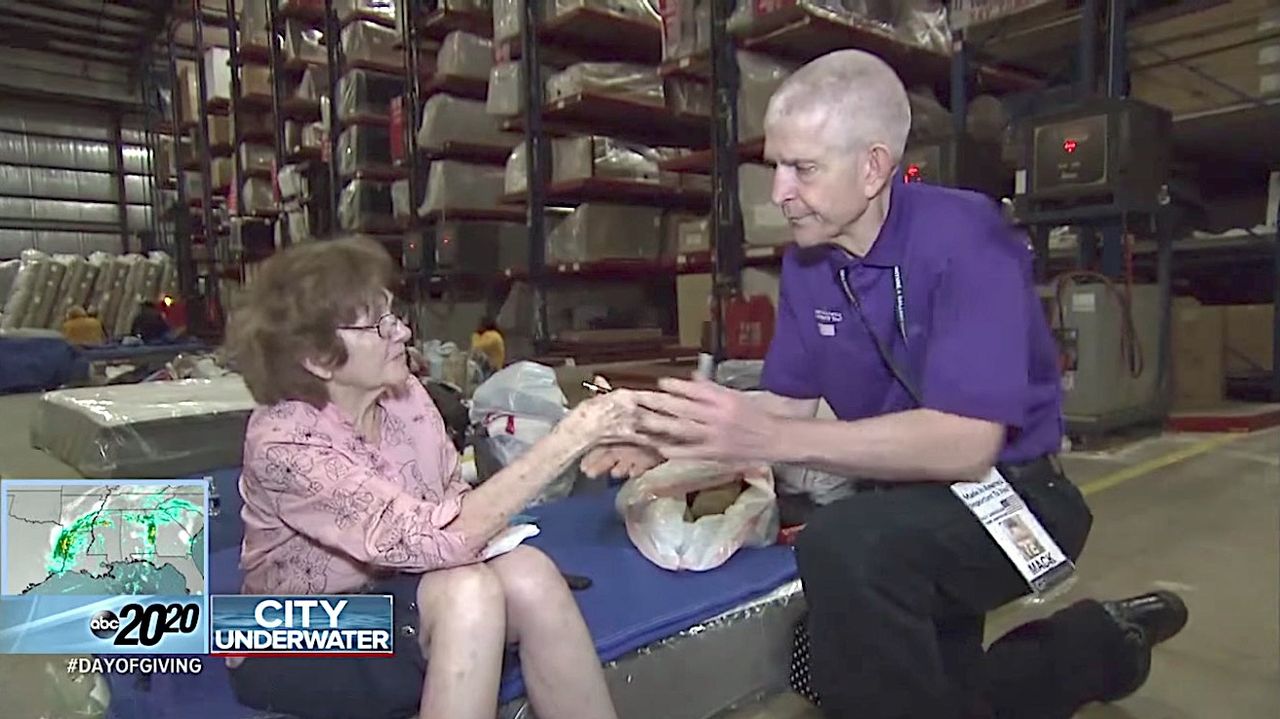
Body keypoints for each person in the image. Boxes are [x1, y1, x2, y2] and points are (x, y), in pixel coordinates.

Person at [583, 50, 1188, 719]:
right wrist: (669, 441)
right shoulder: (808, 266)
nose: (779, 190)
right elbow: (778, 406)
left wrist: (780, 435)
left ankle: (1094, 640)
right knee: (901, 682)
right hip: (904, 505)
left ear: (873, 167)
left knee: (843, 550)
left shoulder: (967, 240)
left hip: (1016, 494)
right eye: (774, 166)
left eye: (802, 169)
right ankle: (1105, 641)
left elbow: (964, 443)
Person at [225, 237, 638, 719]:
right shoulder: (284, 442)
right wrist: (574, 435)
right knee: (468, 594)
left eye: (395, 315)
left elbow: (451, 501)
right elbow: (434, 538)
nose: (400, 332)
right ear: (317, 359)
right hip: (281, 635)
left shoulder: (407, 399)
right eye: (377, 324)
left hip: (390, 599)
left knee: (530, 574)